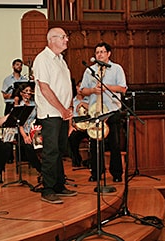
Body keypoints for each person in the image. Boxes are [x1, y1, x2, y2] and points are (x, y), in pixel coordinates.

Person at [33, 27, 77, 204]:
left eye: (66, 36)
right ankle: (48, 189)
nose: (66, 40)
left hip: (63, 113)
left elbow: (65, 87)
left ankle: (59, 185)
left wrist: (69, 109)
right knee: (50, 152)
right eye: (63, 37)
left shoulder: (61, 60)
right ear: (52, 39)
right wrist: (62, 109)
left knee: (60, 151)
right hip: (51, 113)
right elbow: (45, 88)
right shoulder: (42, 59)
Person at [80, 42, 127, 182]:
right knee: (95, 144)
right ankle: (96, 173)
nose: (99, 54)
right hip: (96, 112)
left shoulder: (116, 69)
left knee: (115, 144)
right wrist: (93, 90)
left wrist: (108, 88)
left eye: (102, 52)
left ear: (108, 53)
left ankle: (116, 174)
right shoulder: (89, 71)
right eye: (97, 52)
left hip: (112, 111)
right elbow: (82, 90)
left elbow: (123, 89)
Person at [13, 83, 41, 174]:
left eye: (30, 91)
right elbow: (19, 124)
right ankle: (39, 168)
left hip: (33, 130)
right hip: (22, 132)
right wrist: (25, 136)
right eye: (26, 91)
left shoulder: (34, 104)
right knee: (29, 146)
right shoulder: (19, 105)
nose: (29, 93)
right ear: (21, 93)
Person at [68, 80, 90, 168]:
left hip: (89, 126)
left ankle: (90, 161)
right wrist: (70, 126)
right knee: (72, 137)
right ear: (76, 87)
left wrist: (84, 104)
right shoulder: (72, 101)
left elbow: (94, 110)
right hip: (77, 126)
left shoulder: (89, 100)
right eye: (80, 87)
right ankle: (77, 159)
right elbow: (70, 115)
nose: (81, 89)